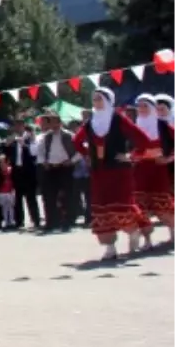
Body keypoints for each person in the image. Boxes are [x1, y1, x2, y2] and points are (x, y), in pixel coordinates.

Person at [71, 87, 154, 261]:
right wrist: (88, 154)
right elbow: (76, 140)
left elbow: (143, 140)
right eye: (94, 99)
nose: (96, 102)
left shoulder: (118, 119)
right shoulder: (91, 121)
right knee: (101, 210)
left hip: (119, 171)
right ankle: (109, 247)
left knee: (122, 206)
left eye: (100, 99)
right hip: (99, 172)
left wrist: (130, 156)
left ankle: (134, 232)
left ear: (109, 101)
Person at [131, 94, 173, 244]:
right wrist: (133, 156)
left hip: (159, 170)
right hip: (141, 170)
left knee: (162, 204)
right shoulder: (134, 127)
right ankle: (147, 239)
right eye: (139, 106)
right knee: (140, 205)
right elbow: (131, 149)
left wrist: (169, 158)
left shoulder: (163, 125)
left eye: (145, 106)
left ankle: (173, 231)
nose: (141, 109)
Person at [38, 110, 78, 231]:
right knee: (49, 196)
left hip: (64, 168)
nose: (53, 125)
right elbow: (41, 152)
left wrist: (71, 161)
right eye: (51, 122)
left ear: (60, 123)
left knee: (66, 196)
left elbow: (80, 151)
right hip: (51, 168)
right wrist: (43, 162)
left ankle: (67, 221)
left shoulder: (69, 135)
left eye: (55, 122)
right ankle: (51, 222)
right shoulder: (46, 137)